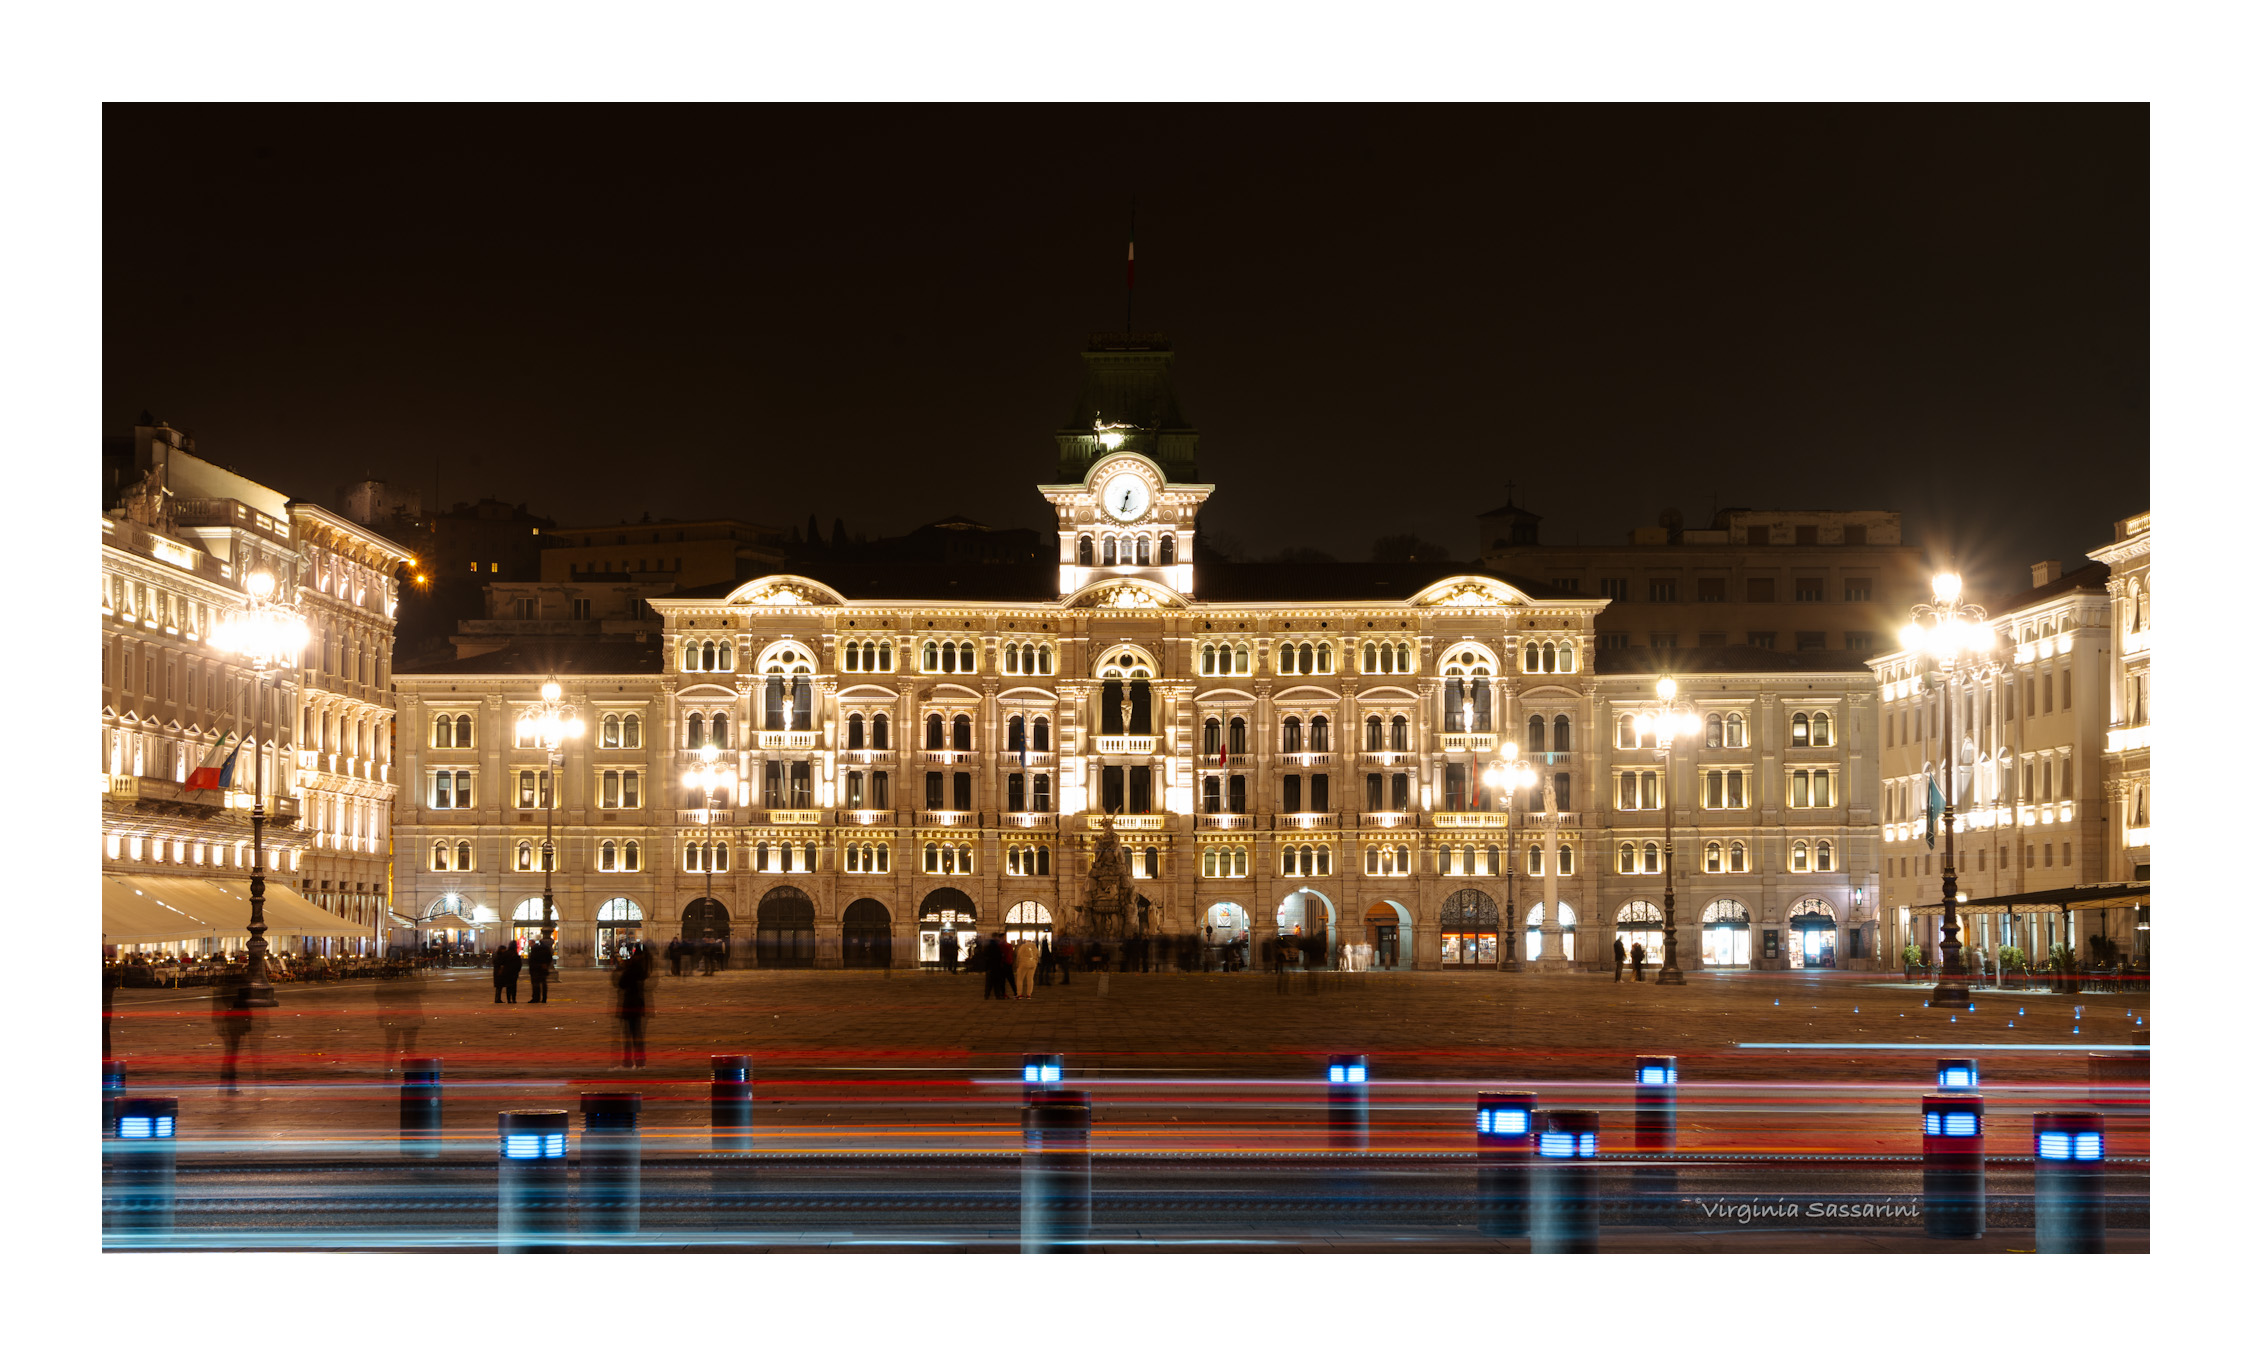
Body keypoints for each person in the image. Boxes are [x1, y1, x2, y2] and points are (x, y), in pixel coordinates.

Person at [375, 963, 426, 1073]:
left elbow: (378, 996)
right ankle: (411, 1071)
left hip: (392, 1016)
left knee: (391, 1046)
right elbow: (423, 987)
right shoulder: (412, 981)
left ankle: (388, 1070)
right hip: (411, 1016)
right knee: (410, 1047)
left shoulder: (385, 982)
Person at [212, 969, 255, 1094]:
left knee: (230, 1055)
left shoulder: (224, 990)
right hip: (235, 1024)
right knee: (232, 1056)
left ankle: (226, 1085)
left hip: (229, 1023)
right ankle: (229, 1086)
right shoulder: (238, 992)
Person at [614, 943, 653, 1069]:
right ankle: (640, 1060)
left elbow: (621, 983)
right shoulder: (643, 969)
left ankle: (628, 1060)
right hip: (639, 1003)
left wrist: (623, 969)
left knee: (629, 1034)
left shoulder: (632, 968)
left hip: (630, 1003)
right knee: (637, 1033)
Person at [527, 934, 554, 1004]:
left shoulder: (535, 950)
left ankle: (536, 998)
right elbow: (550, 958)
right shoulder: (546, 950)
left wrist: (531, 968)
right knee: (544, 983)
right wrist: (546, 965)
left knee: (536, 984)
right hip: (543, 968)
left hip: (535, 969)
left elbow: (531, 960)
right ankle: (544, 998)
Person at [1013, 933, 1040, 1000]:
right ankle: (1029, 994)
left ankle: (1019, 994)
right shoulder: (1034, 947)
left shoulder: (1023, 946)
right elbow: (1037, 955)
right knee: (1030, 979)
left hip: (1023, 963)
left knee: (1020, 979)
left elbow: (1018, 955)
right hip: (1032, 964)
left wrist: (1017, 963)